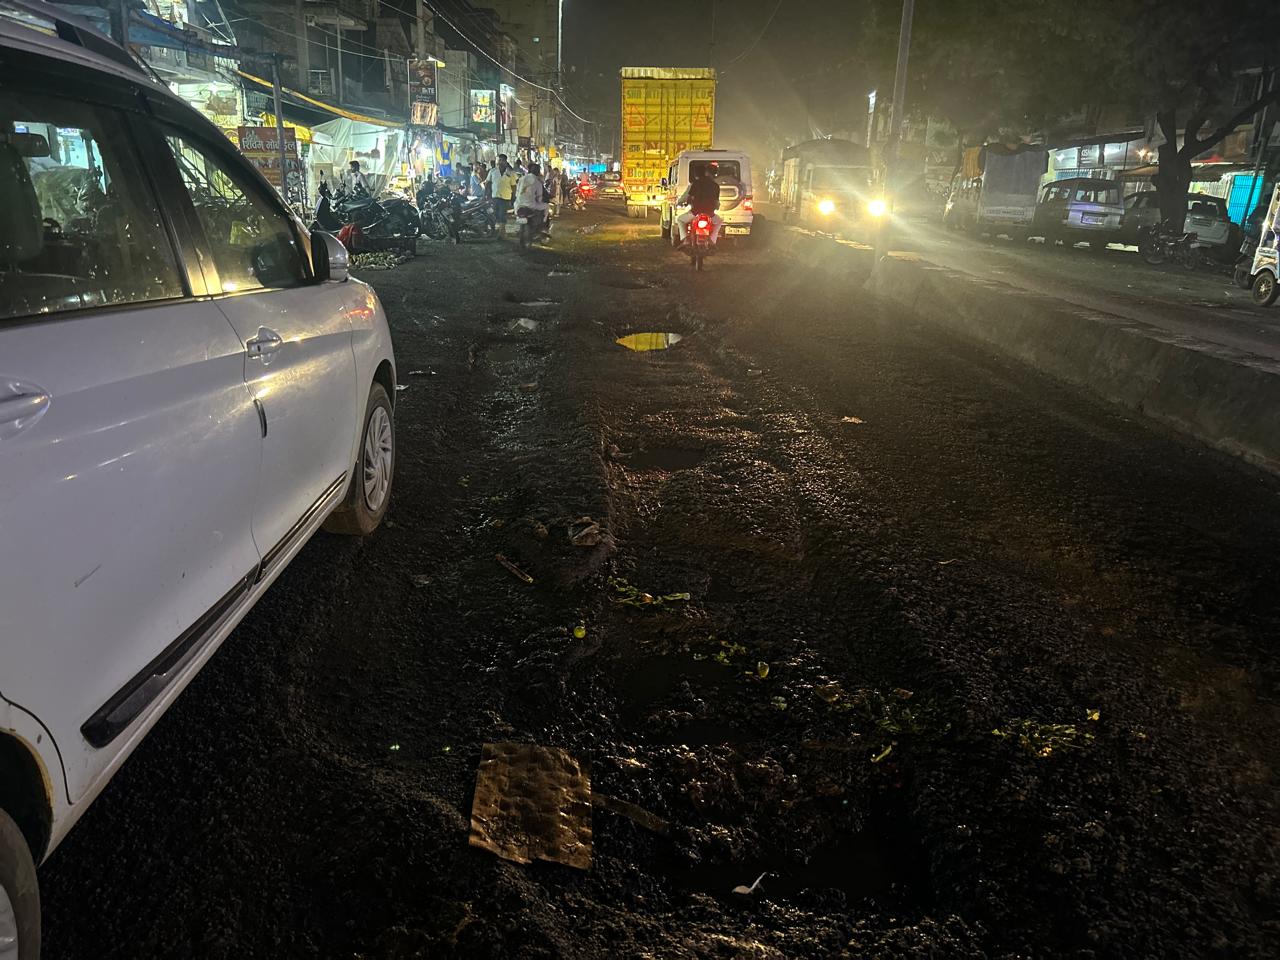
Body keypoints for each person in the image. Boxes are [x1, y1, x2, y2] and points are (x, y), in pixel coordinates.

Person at [677, 165, 723, 244]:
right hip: (710, 213)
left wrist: (686, 204)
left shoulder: (696, 183)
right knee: (719, 221)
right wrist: (716, 207)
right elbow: (716, 201)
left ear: (706, 172)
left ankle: (685, 239)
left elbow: (689, 197)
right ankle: (712, 240)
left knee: (680, 220)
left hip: (695, 212)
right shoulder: (716, 186)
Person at [515, 161, 549, 238]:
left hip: (518, 205)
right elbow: (539, 197)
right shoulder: (537, 181)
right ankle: (543, 223)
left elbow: (517, 193)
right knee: (546, 206)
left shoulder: (521, 179)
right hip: (531, 205)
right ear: (538, 172)